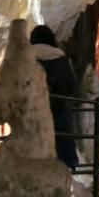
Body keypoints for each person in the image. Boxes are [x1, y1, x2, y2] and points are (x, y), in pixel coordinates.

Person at [29, 25, 79, 170]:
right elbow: (71, 87)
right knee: (60, 146)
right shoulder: (60, 59)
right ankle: (65, 167)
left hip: (33, 113)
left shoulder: (26, 58)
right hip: (58, 112)